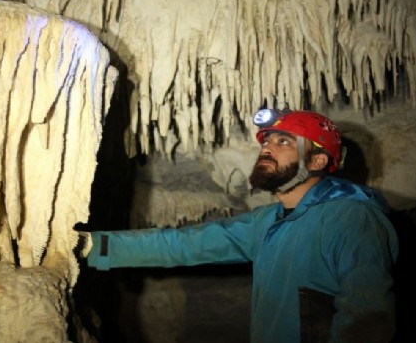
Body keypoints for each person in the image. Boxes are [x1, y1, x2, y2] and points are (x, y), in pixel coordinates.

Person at [83, 109, 399, 343]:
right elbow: (185, 244)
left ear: (316, 161)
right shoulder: (267, 222)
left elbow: (367, 316)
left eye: (284, 141)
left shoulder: (352, 216)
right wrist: (92, 246)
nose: (267, 147)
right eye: (267, 140)